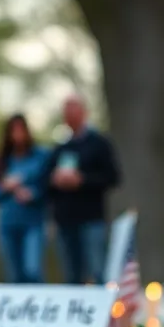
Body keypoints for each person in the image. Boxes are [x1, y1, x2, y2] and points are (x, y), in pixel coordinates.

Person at [44, 95, 120, 285]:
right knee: (71, 272)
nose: (69, 114)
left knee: (97, 268)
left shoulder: (99, 143)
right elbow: (46, 184)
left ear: (84, 112)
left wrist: (82, 180)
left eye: (73, 109)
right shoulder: (60, 147)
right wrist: (55, 181)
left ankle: (106, 311)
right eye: (66, 110)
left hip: (91, 219)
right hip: (65, 220)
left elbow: (113, 177)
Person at [0, 114, 49, 284]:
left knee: (32, 270)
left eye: (21, 129)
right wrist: (5, 188)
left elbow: (49, 187)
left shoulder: (41, 156)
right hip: (8, 223)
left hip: (33, 223)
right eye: (13, 130)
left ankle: (39, 304)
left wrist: (33, 194)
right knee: (13, 275)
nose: (18, 134)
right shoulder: (1, 160)